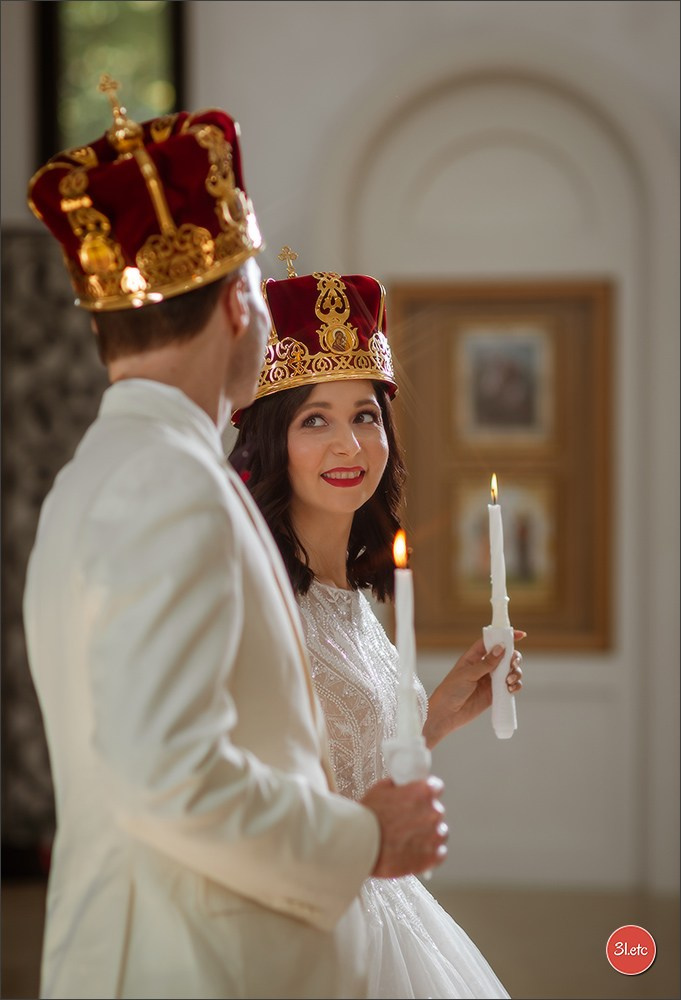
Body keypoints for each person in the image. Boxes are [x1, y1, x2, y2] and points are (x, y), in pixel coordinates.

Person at [23, 80, 449, 1000]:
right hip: (198, 963)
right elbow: (165, 772)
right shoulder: (170, 486)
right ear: (236, 306)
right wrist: (365, 839)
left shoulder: (99, 474)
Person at [230, 253, 525, 999]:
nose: (348, 445)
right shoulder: (259, 598)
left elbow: (352, 758)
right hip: (311, 925)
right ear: (271, 443)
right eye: (314, 420)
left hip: (390, 909)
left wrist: (437, 715)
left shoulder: (356, 593)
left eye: (365, 414)